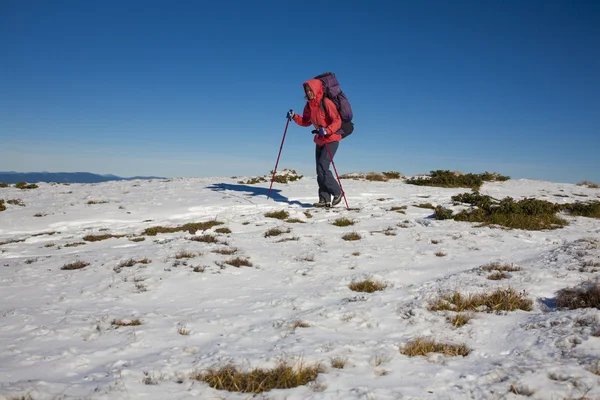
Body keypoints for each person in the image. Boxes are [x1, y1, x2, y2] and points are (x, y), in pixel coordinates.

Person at [287, 79, 343, 208]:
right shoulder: (309, 105)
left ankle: (338, 192)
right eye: (307, 90)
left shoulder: (326, 102)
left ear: (316, 89)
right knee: (319, 170)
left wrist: (327, 130)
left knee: (323, 167)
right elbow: (306, 122)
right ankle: (324, 199)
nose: (309, 92)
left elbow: (337, 120)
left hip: (331, 138)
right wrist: (295, 116)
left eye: (311, 90)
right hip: (320, 139)